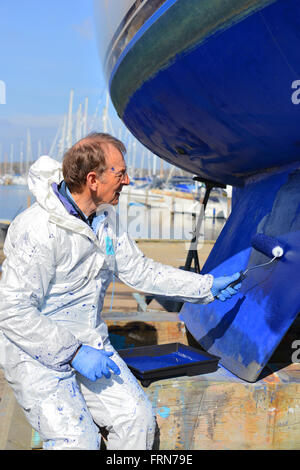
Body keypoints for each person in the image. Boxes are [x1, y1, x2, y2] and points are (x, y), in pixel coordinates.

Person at [0, 133, 241, 450]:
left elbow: (141, 270)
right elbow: (12, 311)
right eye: (120, 173)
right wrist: (73, 353)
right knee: (78, 441)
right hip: (35, 353)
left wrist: (206, 287)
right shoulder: (38, 228)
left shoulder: (104, 220)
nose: (128, 180)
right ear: (93, 180)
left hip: (90, 344)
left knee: (138, 423)